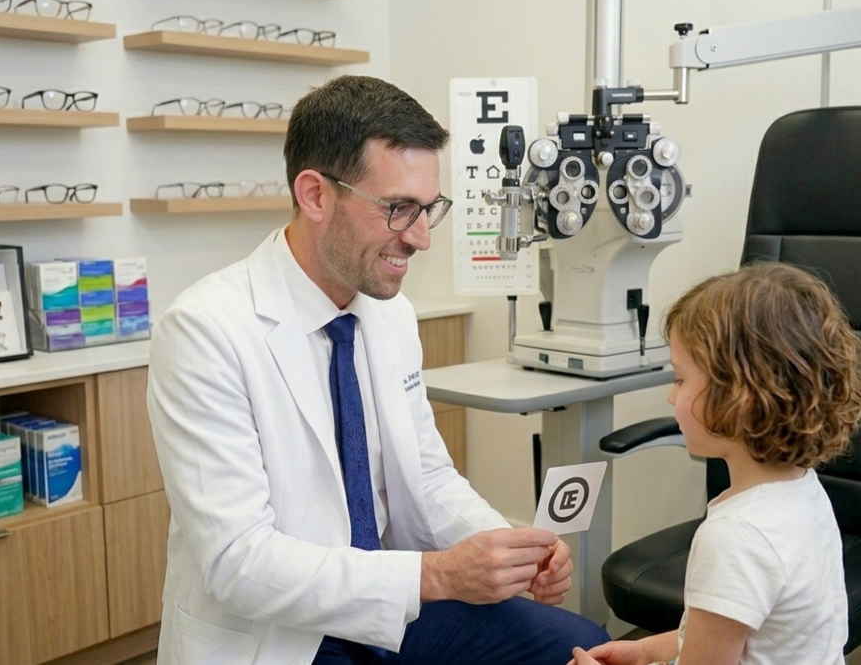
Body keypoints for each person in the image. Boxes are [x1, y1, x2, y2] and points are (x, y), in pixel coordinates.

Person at [147, 75, 609, 665]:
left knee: (582, 648)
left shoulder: (389, 315)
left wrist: (506, 550)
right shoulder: (206, 329)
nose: (420, 238)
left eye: (428, 210)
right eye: (398, 209)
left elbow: (429, 476)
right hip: (282, 632)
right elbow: (238, 562)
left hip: (395, 604)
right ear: (315, 195)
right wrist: (437, 575)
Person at [571, 261, 861, 665]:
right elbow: (740, 639)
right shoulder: (803, 493)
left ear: (739, 397)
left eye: (680, 379)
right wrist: (644, 650)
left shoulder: (735, 538)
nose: (671, 397)